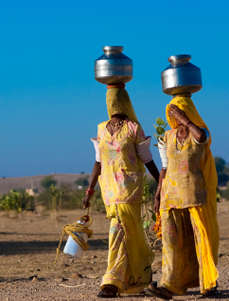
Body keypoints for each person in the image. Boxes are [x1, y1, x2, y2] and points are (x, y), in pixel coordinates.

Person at [82, 83, 160, 298]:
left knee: (119, 231)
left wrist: (162, 184)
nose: (113, 104)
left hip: (129, 190)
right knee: (128, 234)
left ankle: (111, 282)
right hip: (109, 192)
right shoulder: (101, 129)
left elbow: (148, 160)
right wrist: (89, 190)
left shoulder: (134, 128)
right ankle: (138, 278)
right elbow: (98, 163)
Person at [147, 94, 219, 299]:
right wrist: (158, 194)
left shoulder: (200, 132)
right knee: (171, 243)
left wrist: (187, 121)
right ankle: (170, 285)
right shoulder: (167, 137)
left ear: (188, 111)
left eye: (179, 110)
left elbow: (202, 137)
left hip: (194, 196)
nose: (174, 115)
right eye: (171, 111)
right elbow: (164, 168)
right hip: (170, 198)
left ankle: (208, 284)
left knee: (200, 239)